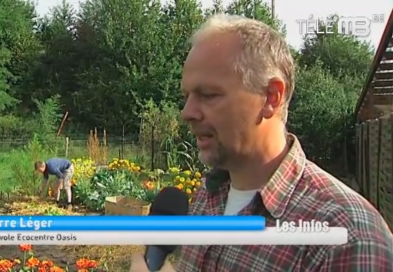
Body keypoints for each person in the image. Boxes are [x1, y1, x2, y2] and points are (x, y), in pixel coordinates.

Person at [129, 14, 393, 272]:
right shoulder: (207, 197)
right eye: (187, 96)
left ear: (271, 97)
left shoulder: (347, 239)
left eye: (208, 94)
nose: (187, 113)